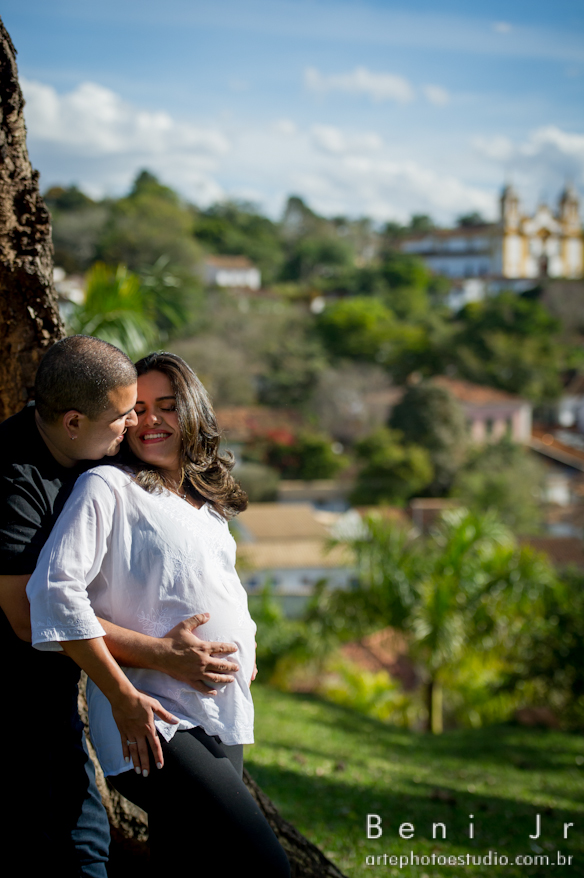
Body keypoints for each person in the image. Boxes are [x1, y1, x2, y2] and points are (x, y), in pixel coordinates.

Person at [26, 351, 291, 876]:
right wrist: (123, 696)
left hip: (221, 713)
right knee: (263, 866)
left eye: (166, 407)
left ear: (192, 411)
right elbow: (54, 591)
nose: (151, 421)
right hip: (154, 721)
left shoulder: (207, 507)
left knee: (189, 866)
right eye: (139, 408)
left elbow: (221, 589)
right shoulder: (107, 487)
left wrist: (247, 647)